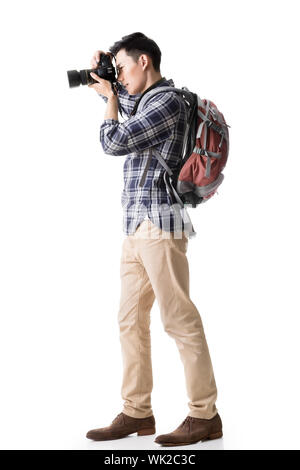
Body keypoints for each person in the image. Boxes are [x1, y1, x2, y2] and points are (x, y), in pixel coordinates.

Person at [85, 32, 222, 447]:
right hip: (135, 227)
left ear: (144, 61)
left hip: (160, 226)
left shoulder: (167, 102)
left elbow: (115, 140)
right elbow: (129, 106)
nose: (121, 78)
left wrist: (110, 96)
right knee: (129, 320)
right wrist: (104, 83)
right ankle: (136, 412)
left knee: (179, 320)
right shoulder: (148, 101)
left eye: (124, 68)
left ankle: (205, 416)